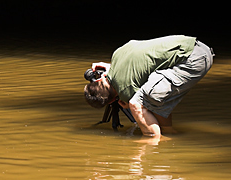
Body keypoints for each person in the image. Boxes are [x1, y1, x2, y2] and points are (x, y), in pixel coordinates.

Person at [84, 35, 214, 138]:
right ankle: (169, 132)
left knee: (136, 104)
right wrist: (111, 67)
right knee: (152, 94)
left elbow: (138, 103)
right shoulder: (117, 54)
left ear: (113, 100)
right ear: (100, 78)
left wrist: (129, 104)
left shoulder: (125, 91)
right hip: (194, 46)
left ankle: (154, 142)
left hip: (194, 61)